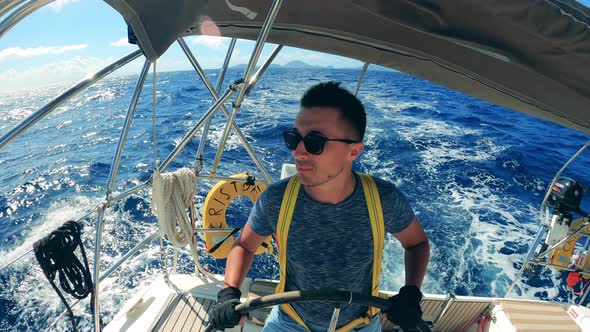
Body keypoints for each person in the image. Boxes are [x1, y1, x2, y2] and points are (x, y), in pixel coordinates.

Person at [208, 81, 430, 332]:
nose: (299, 153)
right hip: (289, 322)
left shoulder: (383, 199)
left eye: (315, 142)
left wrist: (411, 292)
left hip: (360, 325)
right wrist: (229, 291)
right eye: (294, 139)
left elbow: (417, 243)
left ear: (354, 151)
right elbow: (245, 245)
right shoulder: (276, 199)